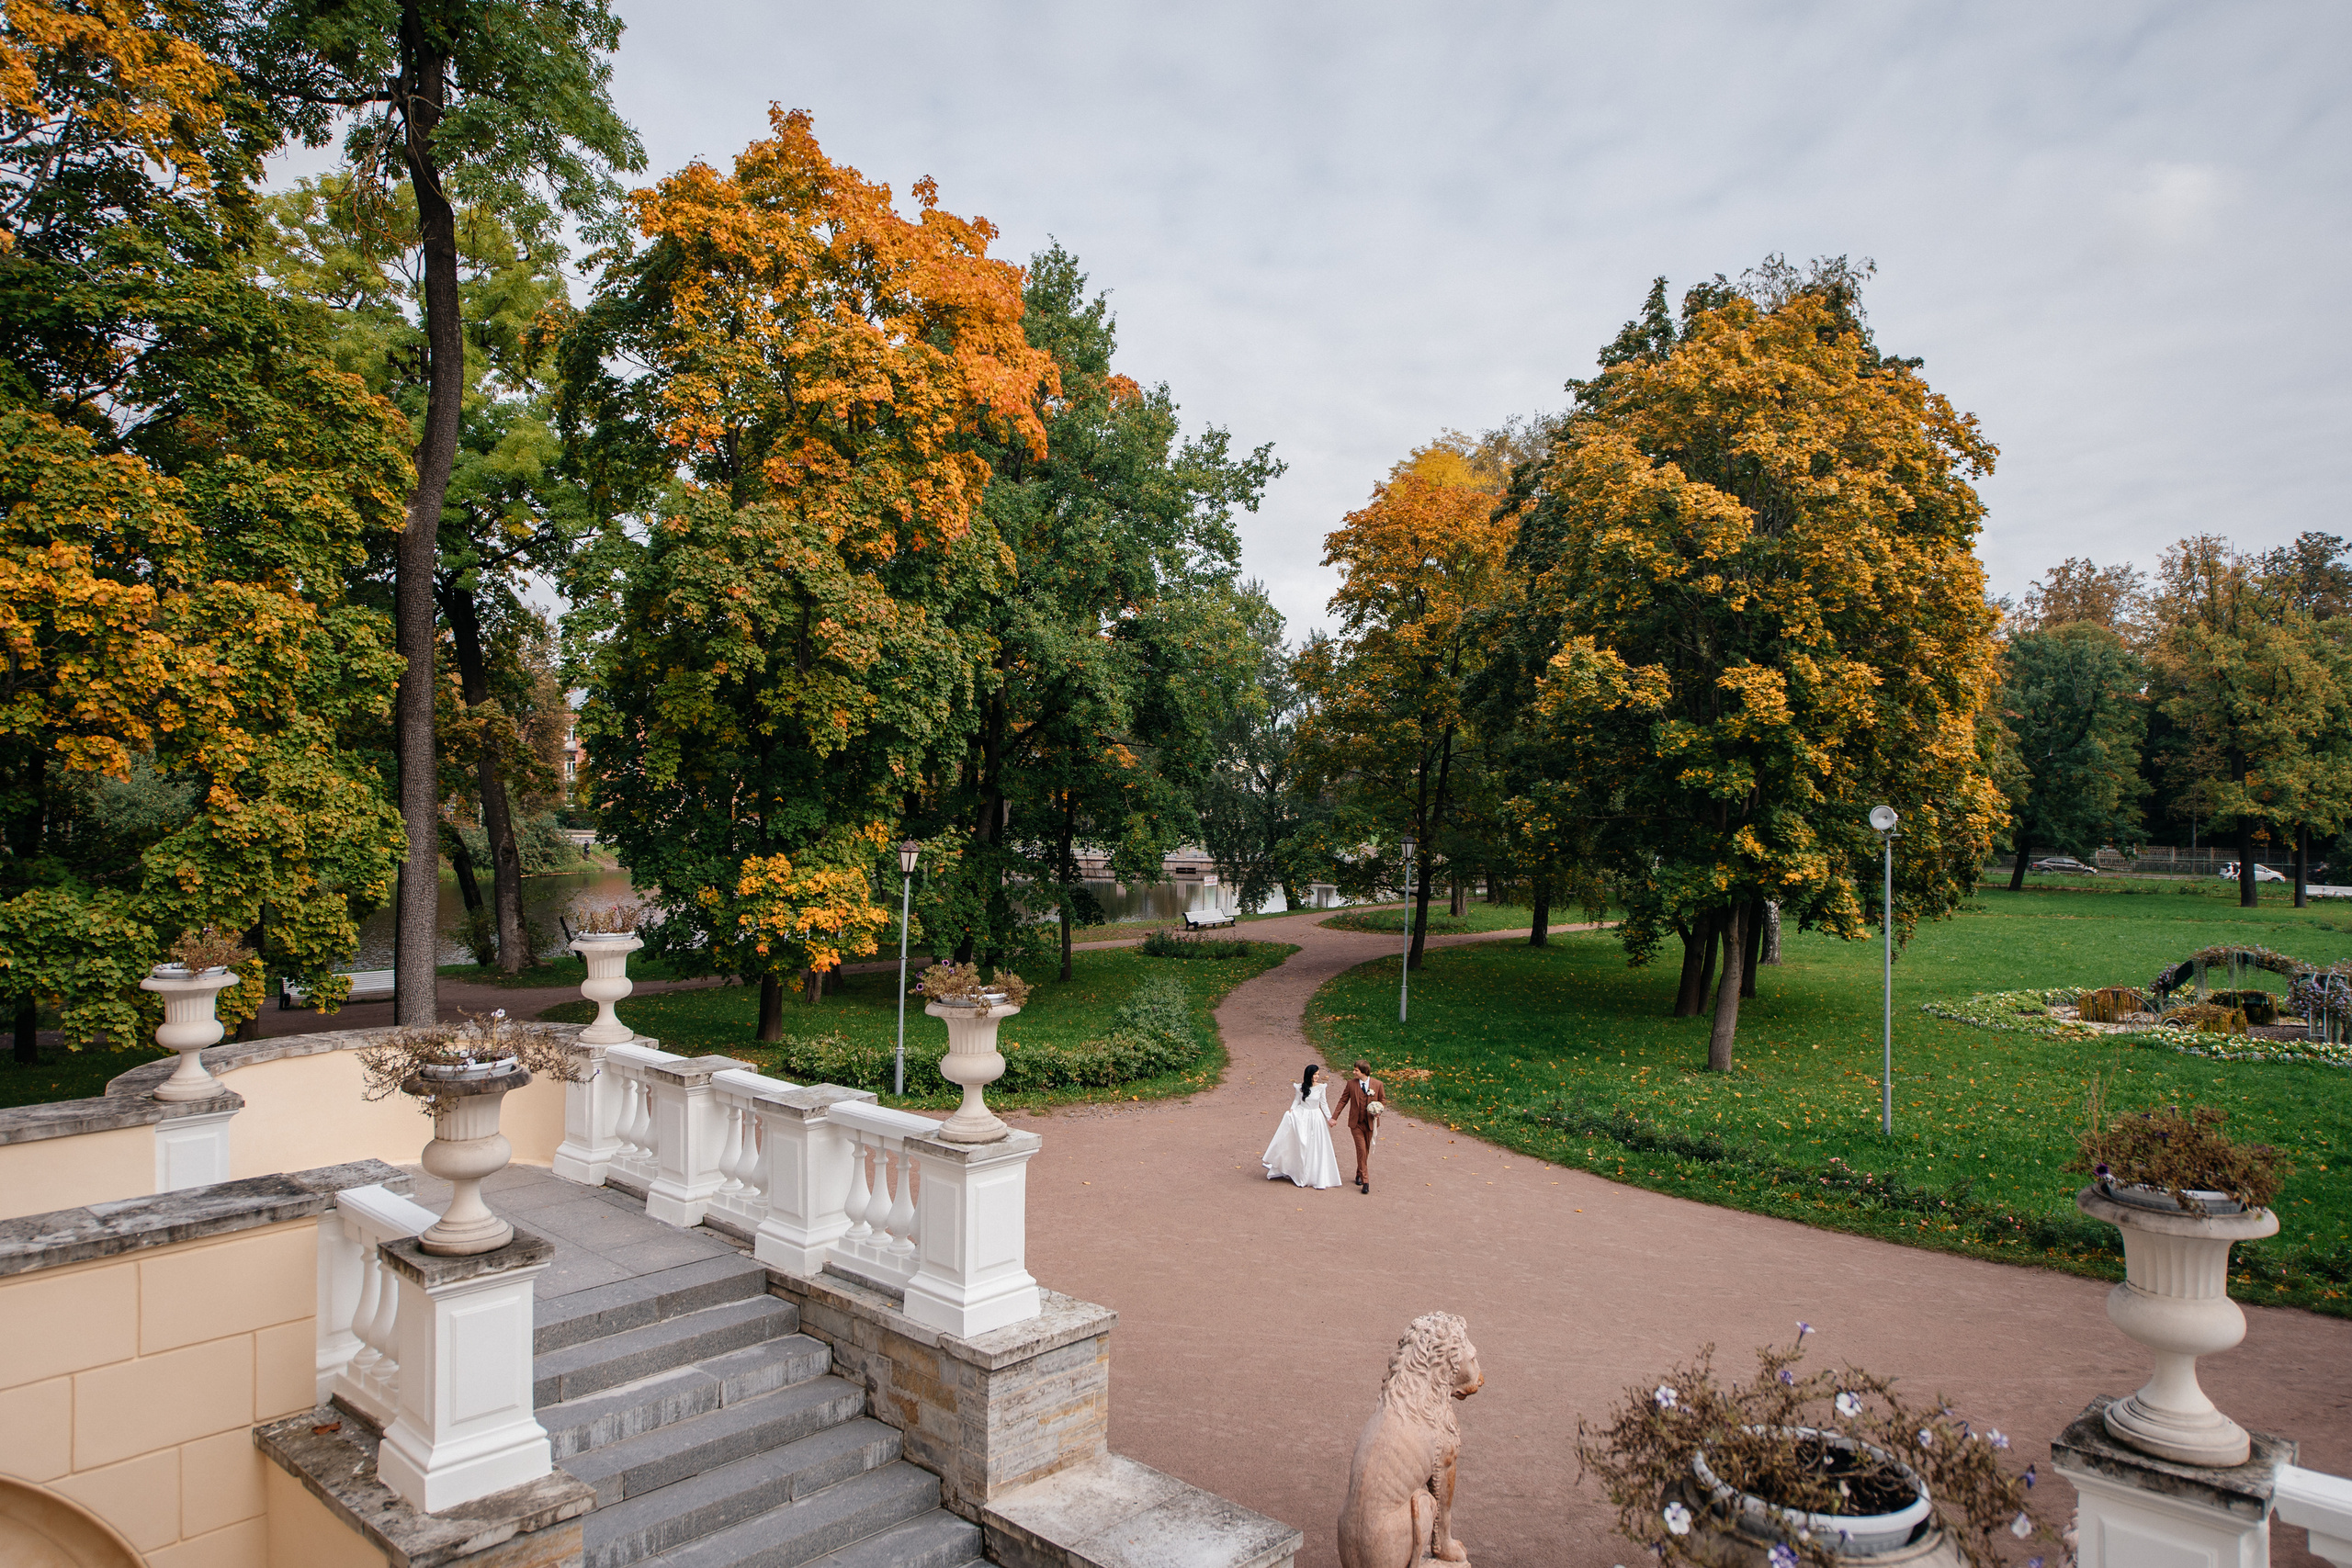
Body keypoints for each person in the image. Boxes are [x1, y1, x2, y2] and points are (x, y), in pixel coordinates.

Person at [1261, 1062, 1343, 1189]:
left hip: (1316, 1118)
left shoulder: (1321, 1088)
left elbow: (1324, 1103)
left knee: (1315, 1145)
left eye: (1318, 1074)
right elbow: (1296, 1101)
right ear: (1309, 1075)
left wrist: (1329, 1118)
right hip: (1303, 1116)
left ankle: (1314, 1174)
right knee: (1302, 1143)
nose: (1317, 1077)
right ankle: (1299, 1171)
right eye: (1315, 1074)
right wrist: (1291, 1110)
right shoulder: (1300, 1088)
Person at [1329, 1058, 1385, 1194]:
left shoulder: (1378, 1084)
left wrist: (1378, 1111)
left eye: (1356, 1070)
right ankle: (1366, 1181)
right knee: (1361, 1149)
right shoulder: (1351, 1084)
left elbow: (1382, 1100)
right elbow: (1343, 1101)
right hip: (1356, 1124)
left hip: (1370, 1123)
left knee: (1365, 1151)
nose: (1353, 1072)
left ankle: (1359, 1173)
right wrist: (1334, 1117)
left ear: (1364, 1072)